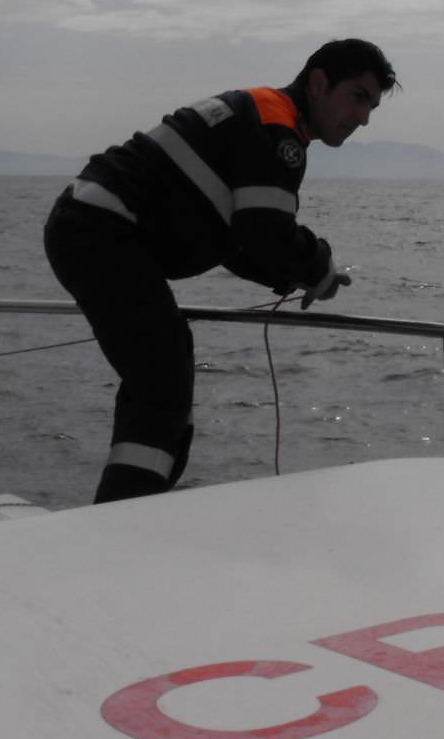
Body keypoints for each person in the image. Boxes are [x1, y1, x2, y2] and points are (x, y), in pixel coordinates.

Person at [44, 38, 399, 505]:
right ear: (318, 83)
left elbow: (238, 241)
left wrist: (302, 275)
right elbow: (265, 233)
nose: (363, 117)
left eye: (371, 106)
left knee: (165, 376)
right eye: (357, 97)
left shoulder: (262, 114)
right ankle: (121, 527)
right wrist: (320, 269)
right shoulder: (277, 128)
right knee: (162, 388)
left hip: (93, 225)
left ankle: (133, 514)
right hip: (105, 230)